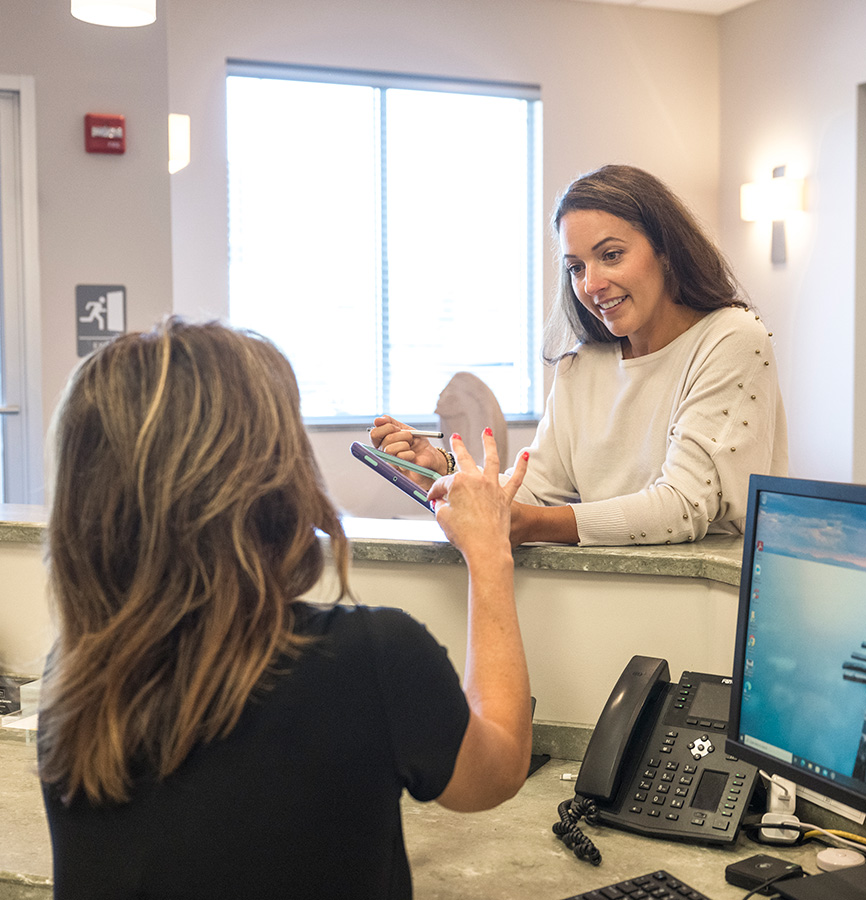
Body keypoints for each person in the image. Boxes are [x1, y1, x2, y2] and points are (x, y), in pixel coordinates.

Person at [37, 318, 532, 900]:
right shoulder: (369, 658)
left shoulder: (72, 679)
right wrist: (488, 551)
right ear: (273, 481)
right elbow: (496, 768)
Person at [370, 164, 788, 547]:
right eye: (576, 267)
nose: (591, 284)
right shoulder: (581, 365)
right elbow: (534, 490)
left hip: (709, 607)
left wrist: (531, 523)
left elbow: (682, 506)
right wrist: (442, 468)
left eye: (611, 255)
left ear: (666, 250)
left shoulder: (731, 338)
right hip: (599, 599)